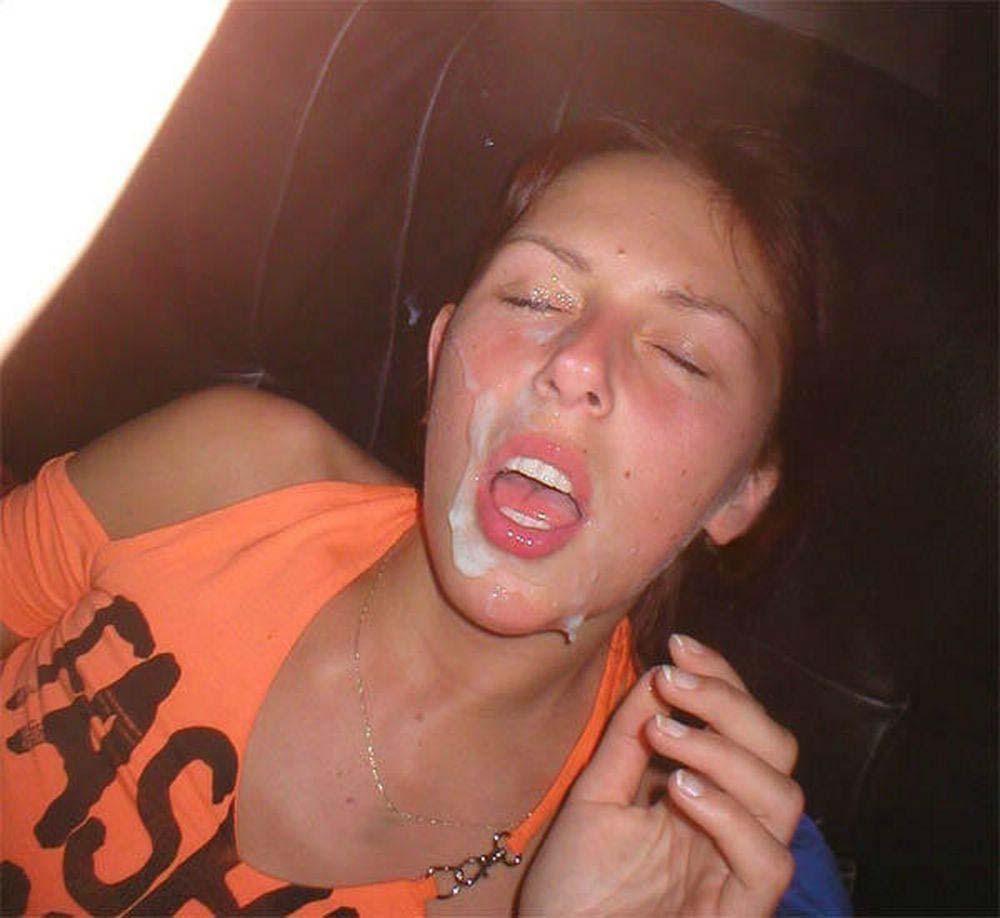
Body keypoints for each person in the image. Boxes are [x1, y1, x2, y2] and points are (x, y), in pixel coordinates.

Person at [1, 119, 849, 915]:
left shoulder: (640, 852)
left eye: (680, 354)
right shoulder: (231, 479)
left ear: (742, 492)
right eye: (534, 298)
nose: (577, 364)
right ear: (441, 354)